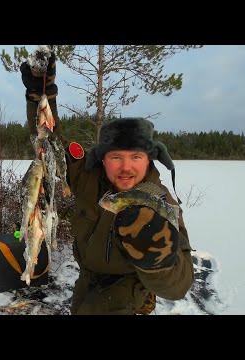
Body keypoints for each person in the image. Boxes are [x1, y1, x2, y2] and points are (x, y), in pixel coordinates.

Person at [20, 46, 195, 315]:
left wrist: (157, 259)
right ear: (102, 158)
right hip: (87, 278)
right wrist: (40, 95)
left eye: (136, 156)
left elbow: (179, 285)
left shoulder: (158, 201)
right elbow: (49, 144)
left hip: (129, 289)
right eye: (116, 157)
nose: (126, 168)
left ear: (149, 159)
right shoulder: (88, 177)